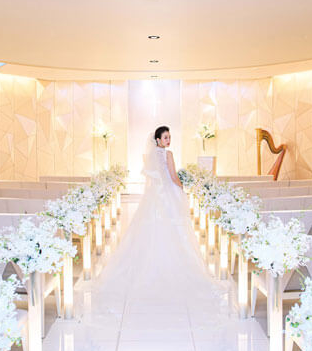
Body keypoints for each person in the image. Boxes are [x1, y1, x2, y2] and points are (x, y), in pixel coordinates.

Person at [90, 125, 228, 308]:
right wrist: (182, 187)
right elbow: (173, 176)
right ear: (158, 140)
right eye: (165, 138)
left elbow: (151, 179)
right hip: (168, 195)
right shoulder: (168, 154)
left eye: (169, 137)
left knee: (149, 230)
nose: (168, 140)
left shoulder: (150, 155)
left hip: (154, 196)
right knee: (174, 230)